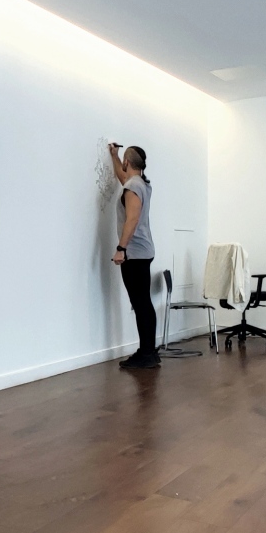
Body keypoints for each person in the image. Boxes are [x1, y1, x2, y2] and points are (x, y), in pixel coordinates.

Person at [109, 142, 158, 369]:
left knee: (141, 304)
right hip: (143, 251)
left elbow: (132, 219)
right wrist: (114, 155)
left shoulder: (133, 187)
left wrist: (121, 249)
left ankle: (147, 354)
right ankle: (148, 351)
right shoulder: (139, 183)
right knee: (143, 303)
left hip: (135, 253)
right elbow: (123, 177)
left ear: (128, 162)